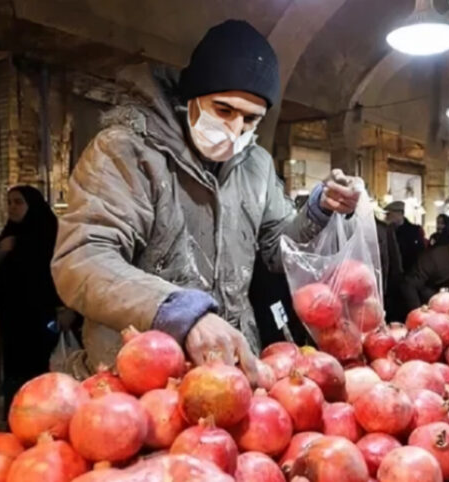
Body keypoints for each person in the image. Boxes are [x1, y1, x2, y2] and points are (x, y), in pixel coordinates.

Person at [51, 20, 359, 380]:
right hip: (140, 376)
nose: (235, 129)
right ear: (192, 97)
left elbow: (277, 250)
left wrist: (319, 211)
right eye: (224, 110)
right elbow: (83, 258)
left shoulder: (255, 165)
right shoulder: (126, 152)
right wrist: (175, 310)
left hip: (230, 369)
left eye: (250, 119)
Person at [0, 186, 61, 418]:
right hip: (13, 321)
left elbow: (64, 274)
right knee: (15, 373)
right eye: (9, 202)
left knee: (41, 372)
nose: (12, 207)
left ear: (32, 205)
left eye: (18, 202)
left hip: (43, 320)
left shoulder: (51, 235)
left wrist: (66, 309)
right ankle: (16, 420)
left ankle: (46, 421)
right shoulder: (7, 236)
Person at [385, 201, 426, 275]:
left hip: (410, 272)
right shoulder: (387, 231)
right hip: (392, 274)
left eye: (389, 214)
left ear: (400, 213)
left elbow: (420, 253)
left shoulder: (414, 231)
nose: (387, 217)